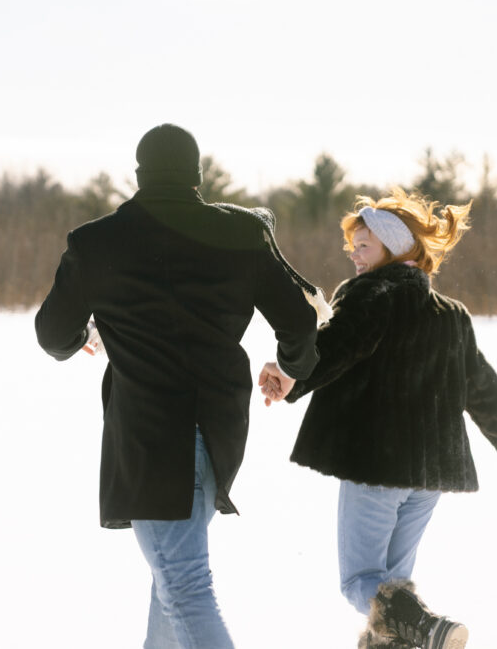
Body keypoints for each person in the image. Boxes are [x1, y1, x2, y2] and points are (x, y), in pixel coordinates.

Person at [35, 123, 324, 649]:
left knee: (185, 588)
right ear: (197, 173)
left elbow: (52, 333)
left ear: (139, 173)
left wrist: (83, 334)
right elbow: (302, 324)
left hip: (152, 442)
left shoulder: (97, 241)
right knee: (170, 582)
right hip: (216, 434)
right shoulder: (241, 233)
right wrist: (289, 366)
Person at [260, 188, 497, 649]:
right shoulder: (450, 314)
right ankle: (407, 636)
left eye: (364, 244)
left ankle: (431, 629)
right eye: (353, 245)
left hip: (378, 468)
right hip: (429, 478)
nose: (353, 254)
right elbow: (480, 384)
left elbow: (336, 347)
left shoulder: (373, 295)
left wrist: (288, 373)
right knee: (391, 589)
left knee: (361, 582)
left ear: (395, 248)